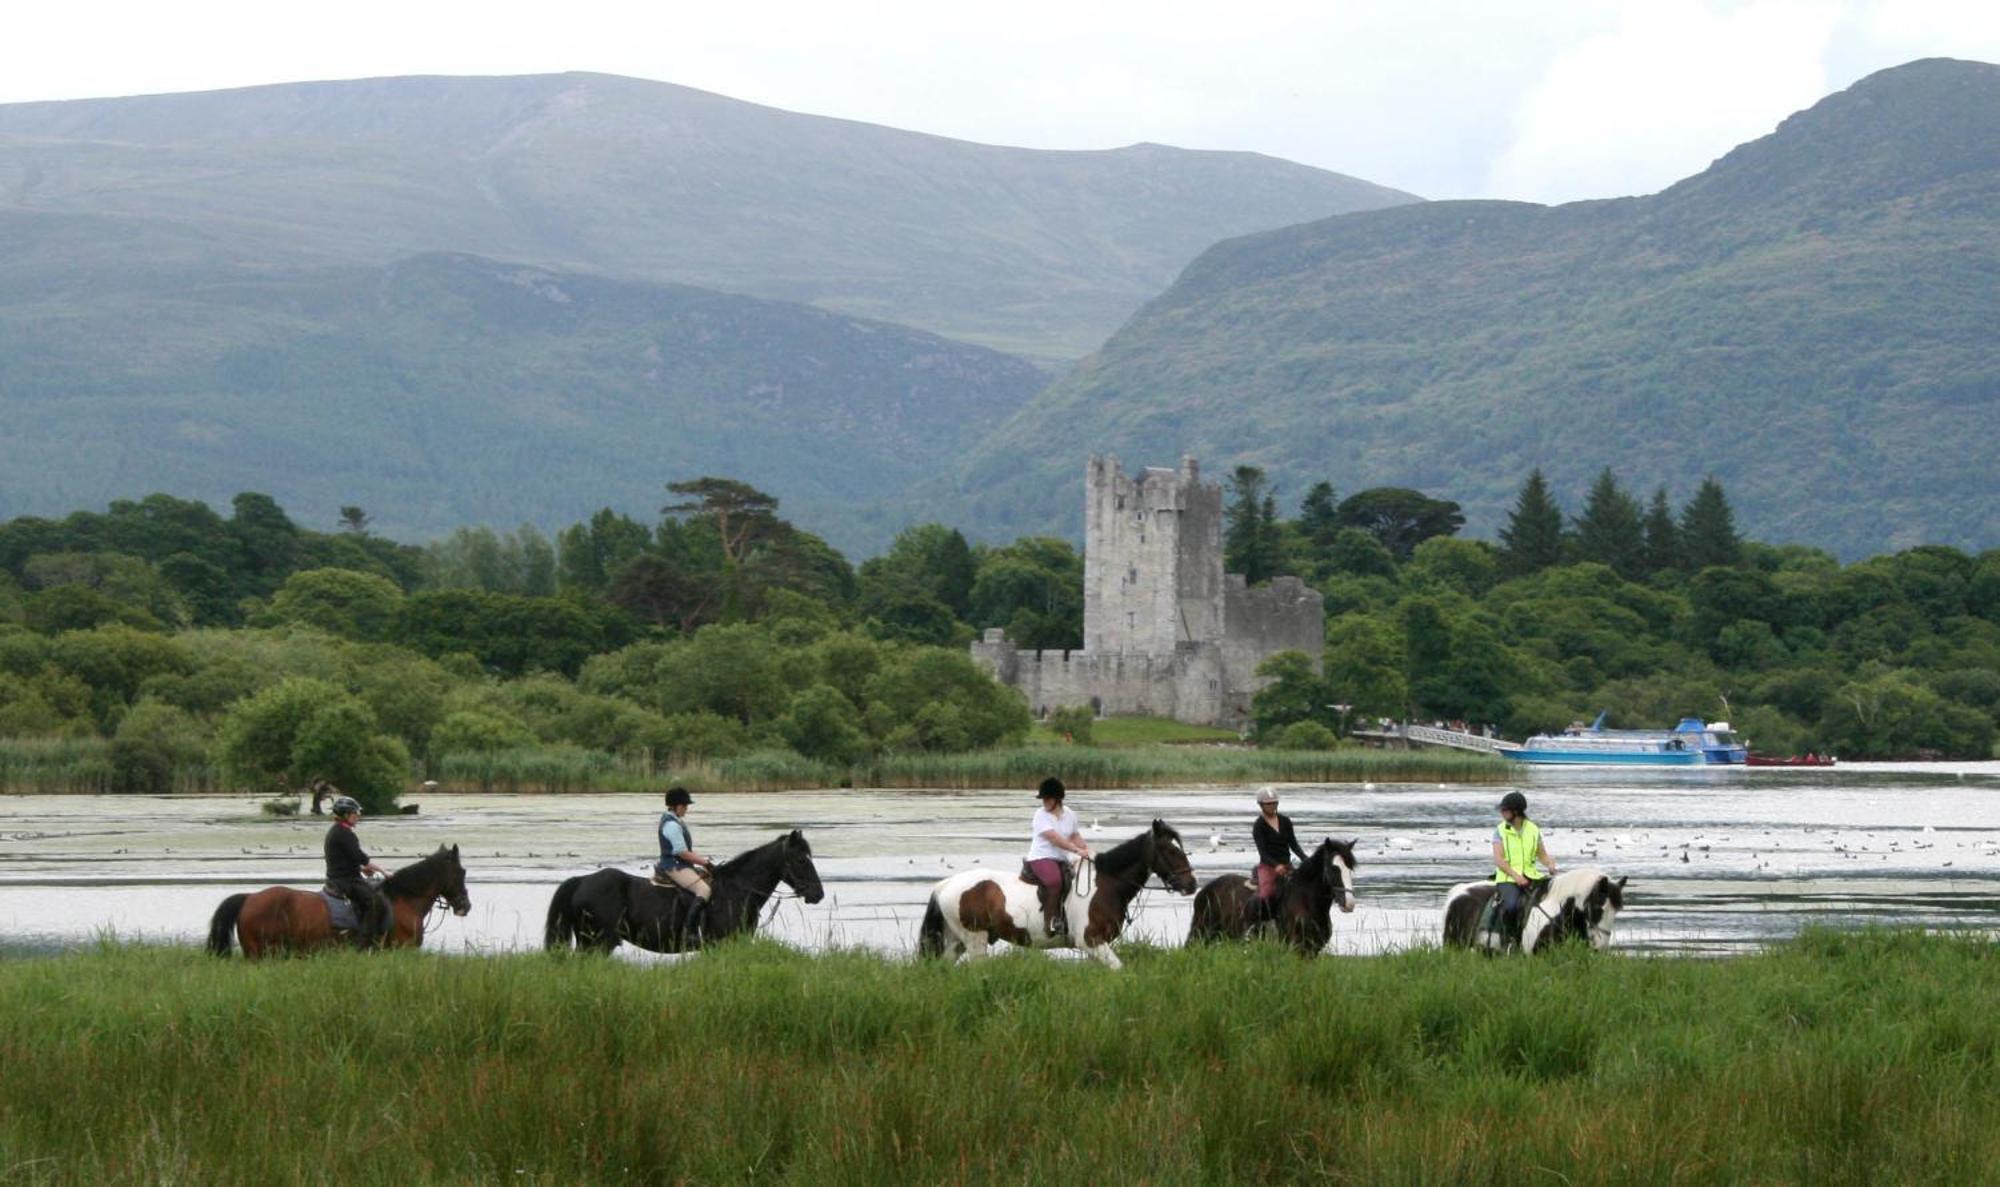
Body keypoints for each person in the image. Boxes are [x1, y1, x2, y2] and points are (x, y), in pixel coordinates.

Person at [1491, 790, 1557, 948]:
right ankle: (1510, 941)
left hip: (1532, 877)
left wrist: (1550, 865)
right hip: (1507, 878)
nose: (1501, 812)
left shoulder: (1533, 829)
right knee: (1511, 906)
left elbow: (1542, 854)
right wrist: (1516, 877)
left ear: (1516, 811)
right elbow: (1499, 860)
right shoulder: (1500, 831)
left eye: (1505, 809)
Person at [1025, 776, 1091, 935]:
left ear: (1057, 799)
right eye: (1043, 799)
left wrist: (1087, 850)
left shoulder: (1070, 814)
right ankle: (1051, 922)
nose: (1044, 802)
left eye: (1047, 798)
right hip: (1041, 857)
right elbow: (1055, 839)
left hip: (1061, 859)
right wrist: (1076, 851)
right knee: (1054, 881)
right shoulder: (1040, 815)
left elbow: (1074, 835)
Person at [323, 795, 389, 950]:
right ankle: (365, 942)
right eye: (355, 813)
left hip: (341, 876)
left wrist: (362, 869)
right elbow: (360, 857)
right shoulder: (345, 834)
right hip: (346, 881)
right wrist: (383, 871)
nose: (358, 816)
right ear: (346, 815)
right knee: (374, 901)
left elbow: (345, 859)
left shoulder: (337, 831)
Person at [656, 787, 716, 942]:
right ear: (677, 806)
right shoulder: (672, 825)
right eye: (685, 806)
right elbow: (682, 852)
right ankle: (689, 932)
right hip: (674, 865)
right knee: (704, 890)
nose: (686, 809)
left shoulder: (676, 821)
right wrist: (706, 863)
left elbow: (687, 851)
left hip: (681, 864)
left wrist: (701, 862)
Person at [1250, 786, 1307, 924]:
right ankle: (1257, 925)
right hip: (1268, 866)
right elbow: (1262, 852)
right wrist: (1276, 866)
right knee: (1265, 894)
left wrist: (1306, 859)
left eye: (1274, 803)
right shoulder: (1259, 825)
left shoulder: (1285, 821)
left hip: (1287, 865)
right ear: (1261, 805)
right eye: (1268, 804)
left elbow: (1293, 844)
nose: (1271, 806)